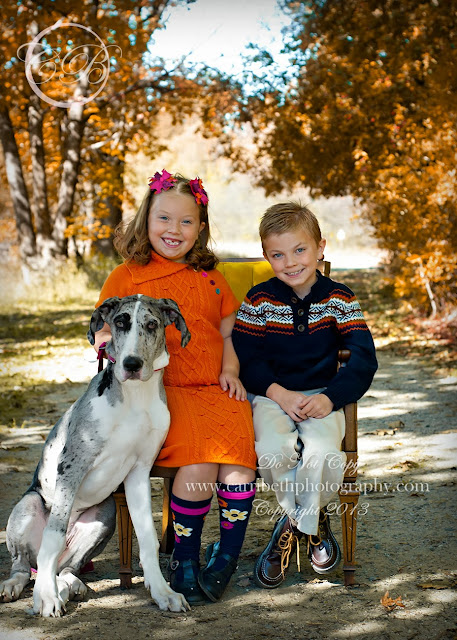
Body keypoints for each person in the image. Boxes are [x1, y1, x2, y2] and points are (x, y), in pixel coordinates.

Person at [93, 170, 256, 604]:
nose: (174, 230)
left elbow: (228, 333)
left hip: (218, 388)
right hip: (164, 393)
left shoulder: (211, 276)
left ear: (200, 228)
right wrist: (112, 352)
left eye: (186, 222)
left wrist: (232, 369)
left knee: (239, 466)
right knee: (200, 463)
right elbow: (104, 332)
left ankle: (226, 555)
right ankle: (183, 557)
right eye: (164, 218)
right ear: (146, 219)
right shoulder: (128, 275)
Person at [232, 202, 377, 588]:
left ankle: (292, 524)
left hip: (321, 397)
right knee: (273, 450)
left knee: (324, 454)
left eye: (300, 250)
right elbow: (246, 359)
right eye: (278, 254)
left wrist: (331, 398)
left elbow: (363, 359)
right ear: (266, 256)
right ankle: (313, 522)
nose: (291, 262)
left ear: (320, 247)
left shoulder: (339, 299)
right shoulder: (258, 300)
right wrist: (278, 394)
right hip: (271, 396)